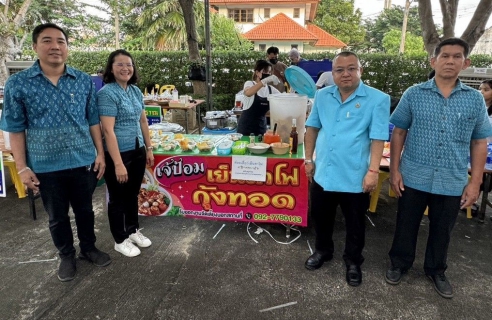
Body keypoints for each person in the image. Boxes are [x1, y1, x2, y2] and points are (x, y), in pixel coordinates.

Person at [0, 23, 110, 282]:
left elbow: (93, 120)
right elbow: (15, 128)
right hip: (46, 165)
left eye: (61, 41)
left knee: (85, 210)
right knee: (57, 216)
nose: (55, 47)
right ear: (35, 46)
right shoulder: (18, 84)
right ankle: (66, 255)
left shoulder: (83, 80)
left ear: (67, 47)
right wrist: (22, 167)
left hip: (83, 160)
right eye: (47, 41)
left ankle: (88, 249)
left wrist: (100, 153)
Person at [385, 38, 492, 299]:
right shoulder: (414, 93)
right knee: (406, 223)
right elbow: (398, 132)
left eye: (457, 57)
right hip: (413, 175)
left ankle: (436, 270)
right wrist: (395, 171)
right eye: (445, 56)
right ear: (433, 61)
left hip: (452, 178)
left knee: (443, 229)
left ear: (465, 63)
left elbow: (479, 142)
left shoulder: (475, 100)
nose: (450, 61)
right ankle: (399, 263)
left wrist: (475, 182)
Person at [304, 51, 390, 287]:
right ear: (333, 74)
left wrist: (373, 172)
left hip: (355, 175)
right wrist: (308, 160)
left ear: (360, 70)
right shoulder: (322, 96)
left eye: (351, 68)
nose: (346, 74)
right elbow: (311, 129)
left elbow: (377, 138)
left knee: (355, 222)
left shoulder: (377, 99)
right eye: (340, 70)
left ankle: (353, 261)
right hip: (324, 173)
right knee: (321, 217)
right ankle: (323, 251)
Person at [97, 50, 154, 258]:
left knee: (132, 194)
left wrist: (148, 148)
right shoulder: (106, 94)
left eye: (128, 64)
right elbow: (107, 130)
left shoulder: (136, 91)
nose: (125, 68)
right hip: (118, 153)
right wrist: (118, 163)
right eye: (119, 64)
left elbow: (143, 121)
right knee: (117, 198)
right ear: (111, 68)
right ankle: (119, 239)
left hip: (137, 149)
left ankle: (132, 230)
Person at [236, 60, 281, 136]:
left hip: (261, 128)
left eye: (269, 72)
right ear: (257, 73)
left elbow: (284, 98)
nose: (268, 74)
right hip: (246, 128)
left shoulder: (271, 89)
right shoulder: (250, 83)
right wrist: (264, 81)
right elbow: (248, 93)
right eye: (265, 71)